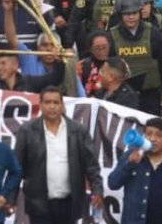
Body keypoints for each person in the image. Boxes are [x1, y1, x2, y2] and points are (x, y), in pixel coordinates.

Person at [14, 86, 104, 224]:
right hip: (38, 204)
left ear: (62, 105)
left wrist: (97, 191)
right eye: (47, 102)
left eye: (56, 102)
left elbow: (92, 165)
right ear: (41, 105)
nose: (52, 106)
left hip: (69, 203)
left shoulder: (78, 131)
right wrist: (10, 199)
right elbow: (17, 167)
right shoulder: (28, 130)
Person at [109, 118, 162, 224]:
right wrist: (129, 164)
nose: (152, 139)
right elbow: (112, 184)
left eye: (158, 135)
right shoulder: (131, 155)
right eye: (149, 134)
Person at [108, 0, 162, 116]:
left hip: (150, 95)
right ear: (120, 15)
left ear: (140, 13)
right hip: (122, 95)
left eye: (134, 13)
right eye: (127, 14)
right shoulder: (112, 36)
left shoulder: (153, 33)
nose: (131, 17)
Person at [77, 30, 114, 97]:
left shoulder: (120, 65)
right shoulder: (82, 66)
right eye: (97, 48)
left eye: (104, 47)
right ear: (90, 49)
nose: (101, 51)